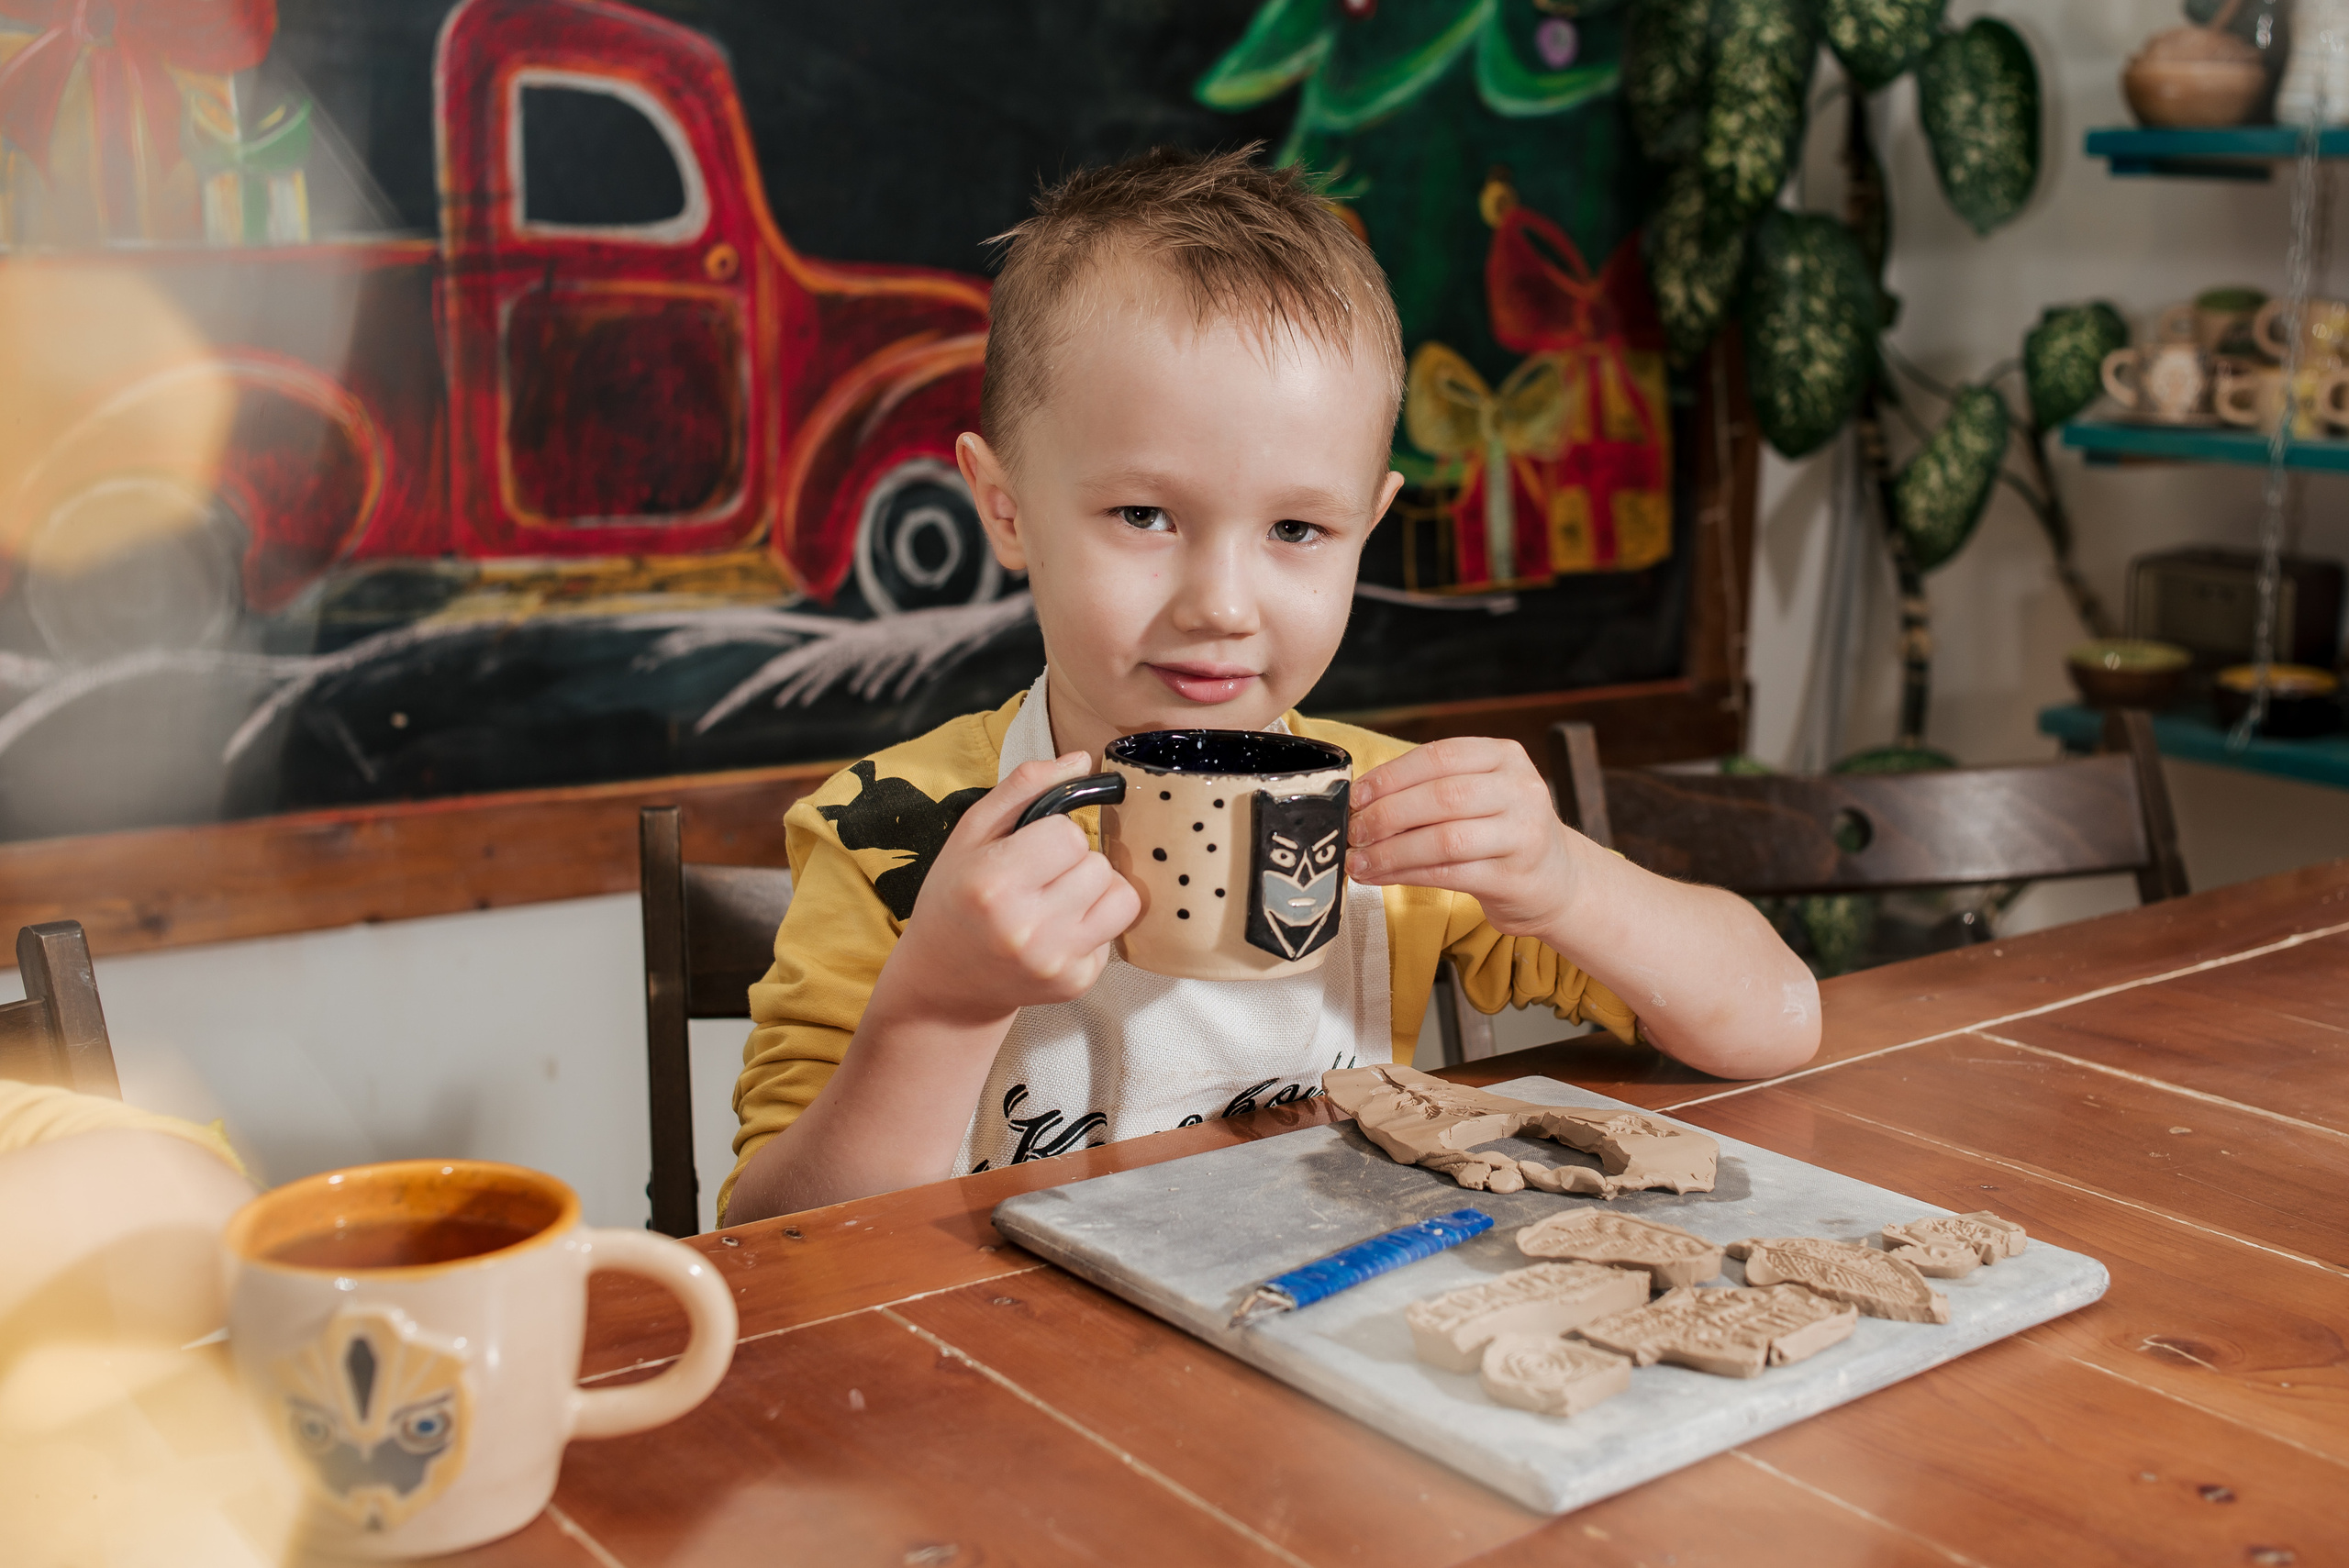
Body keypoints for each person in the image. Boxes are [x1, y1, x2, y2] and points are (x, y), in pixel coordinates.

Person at [718, 147, 1819, 1225]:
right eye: (1145, 515)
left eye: (1297, 527)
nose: (1222, 603)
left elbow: (1773, 1024)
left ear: (1367, 528)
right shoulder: (886, 830)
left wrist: (1564, 879)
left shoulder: (1395, 818)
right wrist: (940, 1003)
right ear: (1005, 509)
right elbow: (782, 1240)